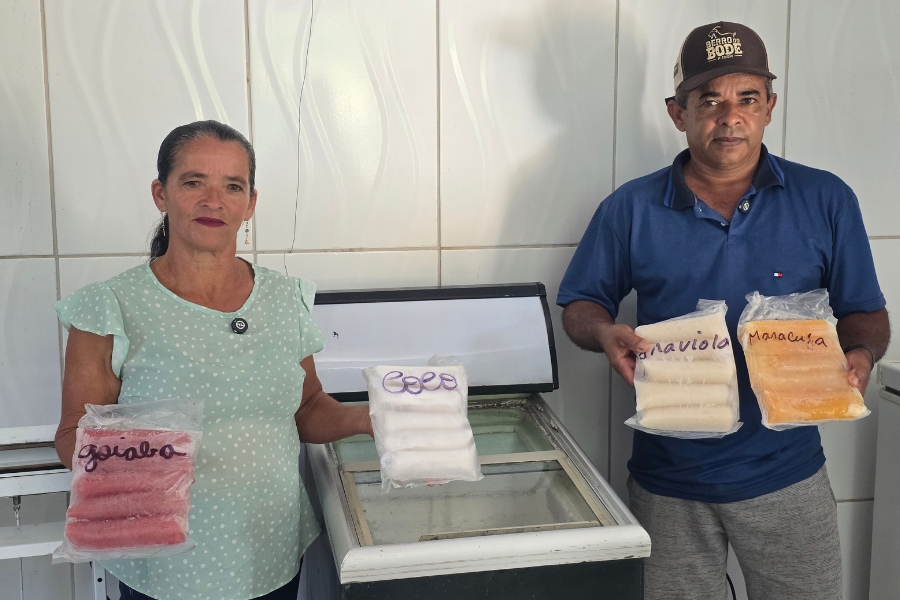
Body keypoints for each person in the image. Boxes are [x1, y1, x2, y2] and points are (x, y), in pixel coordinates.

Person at [557, 21, 890, 600]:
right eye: (708, 99)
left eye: (747, 98)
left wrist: (860, 355)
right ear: (677, 113)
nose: (729, 116)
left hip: (788, 474)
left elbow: (866, 313)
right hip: (669, 480)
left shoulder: (826, 198)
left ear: (769, 107)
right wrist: (607, 332)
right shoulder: (630, 207)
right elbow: (580, 305)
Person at [54, 120, 373, 600]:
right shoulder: (110, 306)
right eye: (193, 182)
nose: (213, 200)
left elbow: (307, 410)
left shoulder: (286, 299)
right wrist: (142, 467)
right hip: (163, 565)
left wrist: (370, 417)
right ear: (161, 194)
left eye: (232, 186)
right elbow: (71, 435)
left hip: (269, 550)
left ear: (250, 202)